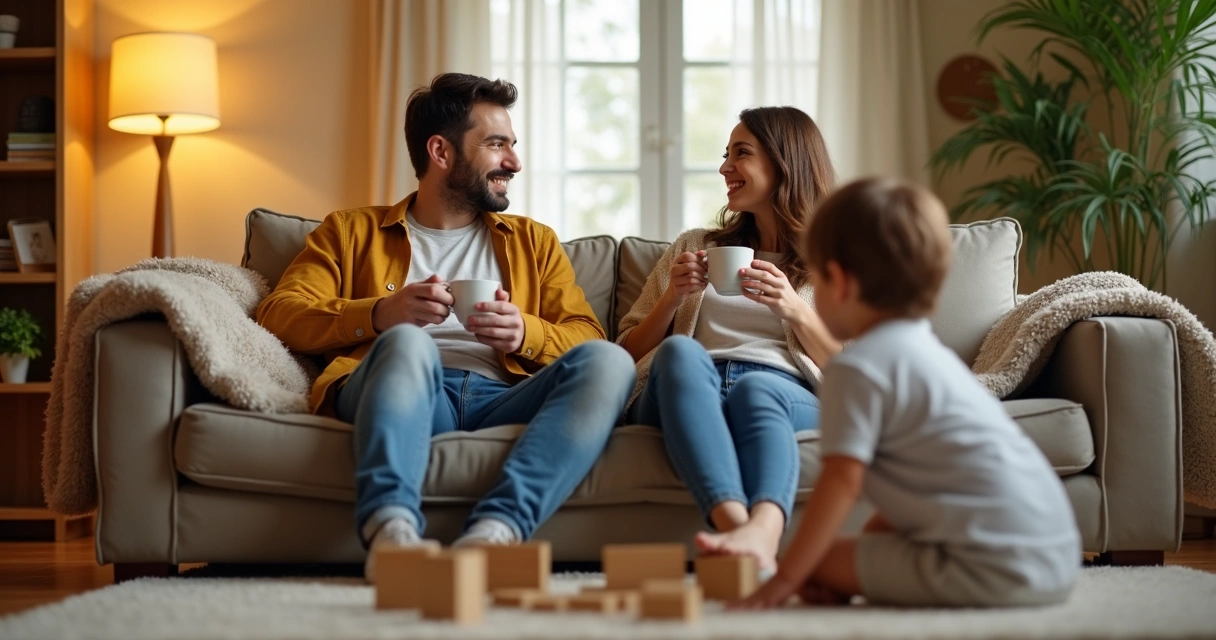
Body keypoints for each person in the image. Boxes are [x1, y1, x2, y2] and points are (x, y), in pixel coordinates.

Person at [257, 73, 637, 580]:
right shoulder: (349, 232)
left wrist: (527, 333)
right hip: (404, 387)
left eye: (513, 145)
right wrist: (379, 314)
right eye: (497, 145)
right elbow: (279, 312)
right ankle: (391, 534)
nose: (514, 163)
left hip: (504, 395)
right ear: (441, 151)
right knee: (408, 344)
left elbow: (589, 336)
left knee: (610, 361)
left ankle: (495, 531)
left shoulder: (535, 242)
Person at [736, 177, 1081, 609]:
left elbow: (841, 482)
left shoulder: (857, 369)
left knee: (813, 560)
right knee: (860, 548)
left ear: (840, 283)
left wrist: (784, 578)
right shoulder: (930, 358)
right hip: (1056, 558)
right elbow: (923, 489)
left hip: (991, 569)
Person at [616, 106, 840, 572]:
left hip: (783, 391)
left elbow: (858, 367)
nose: (724, 167)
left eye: (742, 153)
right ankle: (742, 529)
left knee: (759, 388)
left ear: (785, 162)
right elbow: (624, 355)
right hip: (684, 385)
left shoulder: (836, 260)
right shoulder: (693, 246)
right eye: (726, 154)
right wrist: (672, 301)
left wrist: (794, 307)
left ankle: (757, 535)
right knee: (678, 350)